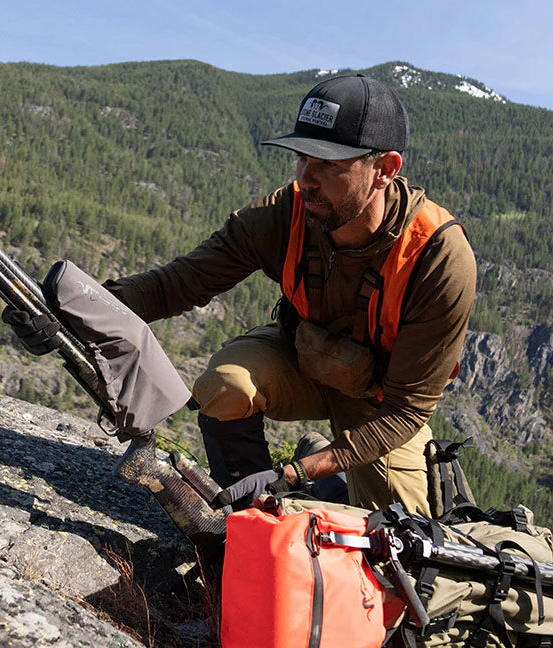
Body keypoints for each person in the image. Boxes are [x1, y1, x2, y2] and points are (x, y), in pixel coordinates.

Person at [99, 74, 477, 515]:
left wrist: (296, 472)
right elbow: (179, 283)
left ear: (386, 169)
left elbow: (405, 411)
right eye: (301, 157)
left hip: (380, 406)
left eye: (328, 164)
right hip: (302, 359)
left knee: (395, 533)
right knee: (226, 385)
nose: (306, 178)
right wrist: (81, 308)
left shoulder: (437, 257)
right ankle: (242, 515)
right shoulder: (288, 212)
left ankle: (328, 483)